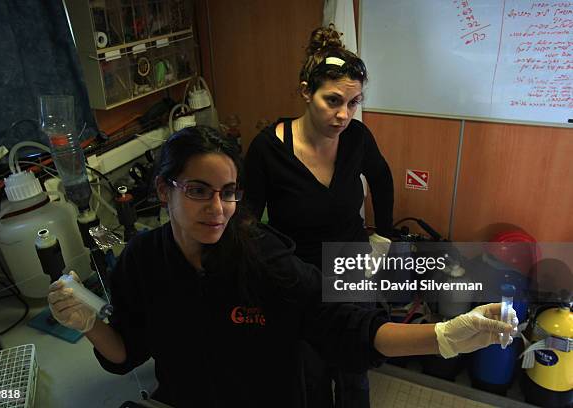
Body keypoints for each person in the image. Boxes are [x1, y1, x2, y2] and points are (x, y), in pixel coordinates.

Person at [48, 126, 517, 408]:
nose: (218, 207)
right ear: (163, 189)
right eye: (198, 190)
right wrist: (89, 322)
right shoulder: (142, 261)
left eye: (228, 192)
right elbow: (126, 355)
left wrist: (443, 337)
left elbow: (344, 324)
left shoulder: (259, 255)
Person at [242, 26, 393, 407]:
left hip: (350, 265)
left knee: (354, 370)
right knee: (309, 376)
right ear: (306, 91)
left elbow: (382, 179)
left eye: (354, 102)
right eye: (333, 100)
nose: (344, 114)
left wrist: (384, 238)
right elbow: (245, 220)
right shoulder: (267, 150)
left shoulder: (357, 138)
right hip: (297, 274)